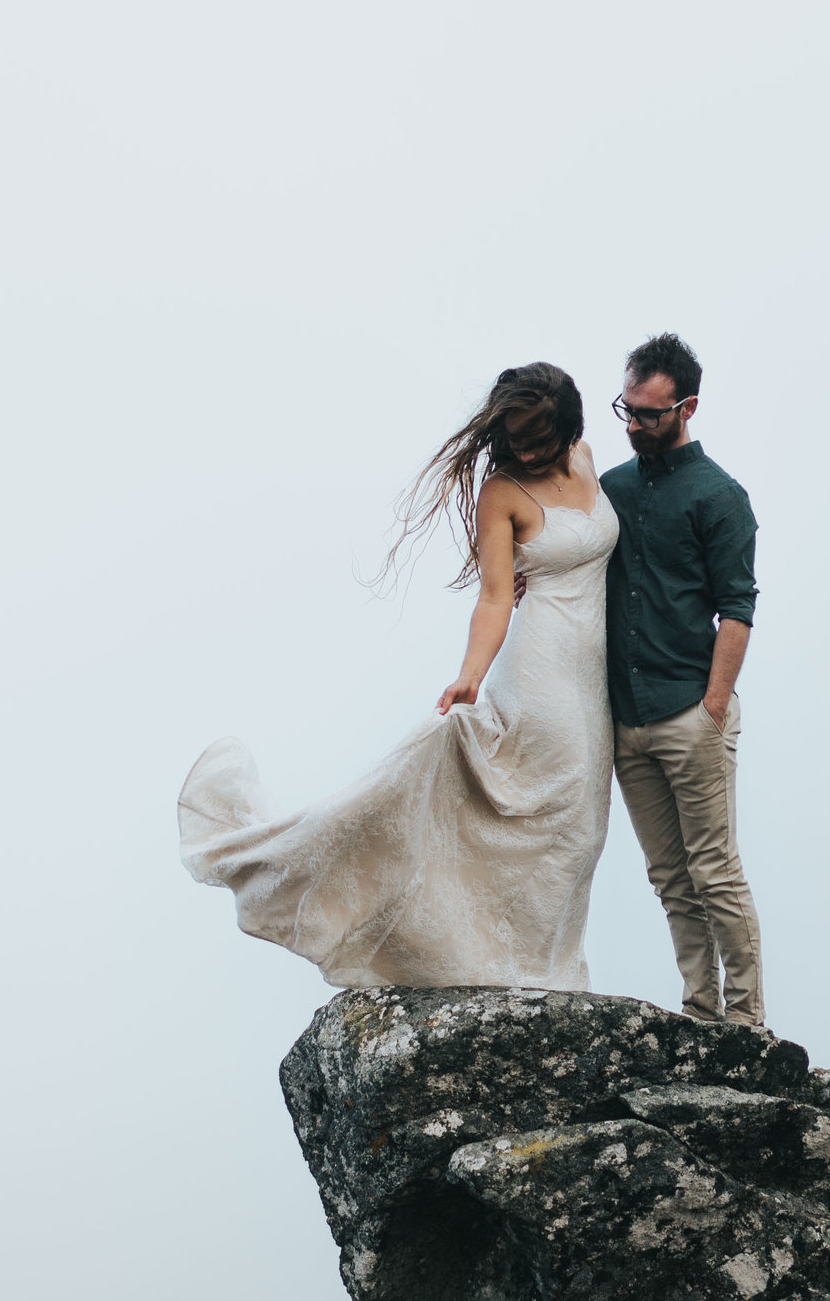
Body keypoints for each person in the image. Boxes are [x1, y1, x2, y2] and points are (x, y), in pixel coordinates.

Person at [176, 362, 620, 990]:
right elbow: (496, 597)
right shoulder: (503, 493)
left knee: (584, 827)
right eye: (513, 435)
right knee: (553, 818)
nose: (522, 448)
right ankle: (521, 972)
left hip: (592, 676)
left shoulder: (586, 457)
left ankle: (545, 966)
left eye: (534, 437)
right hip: (542, 666)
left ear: (568, 427)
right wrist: (470, 675)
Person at [601, 332, 766, 1026]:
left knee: (716, 874)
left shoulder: (719, 495)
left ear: (687, 407)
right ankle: (700, 1012)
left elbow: (738, 607)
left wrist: (714, 707)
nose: (635, 424)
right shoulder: (609, 489)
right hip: (625, 720)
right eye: (628, 410)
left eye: (649, 414)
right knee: (670, 878)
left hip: (690, 713)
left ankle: (748, 1021)